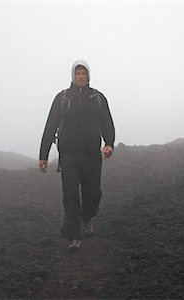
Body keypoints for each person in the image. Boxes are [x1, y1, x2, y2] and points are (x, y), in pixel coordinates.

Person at [39, 60, 115, 251]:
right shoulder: (62, 98)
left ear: (88, 75)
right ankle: (73, 235)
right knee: (70, 194)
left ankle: (87, 217)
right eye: (78, 73)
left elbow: (107, 122)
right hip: (69, 154)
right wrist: (44, 155)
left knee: (93, 193)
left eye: (84, 73)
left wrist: (109, 143)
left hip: (91, 154)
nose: (81, 76)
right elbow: (50, 126)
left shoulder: (97, 97)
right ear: (73, 75)